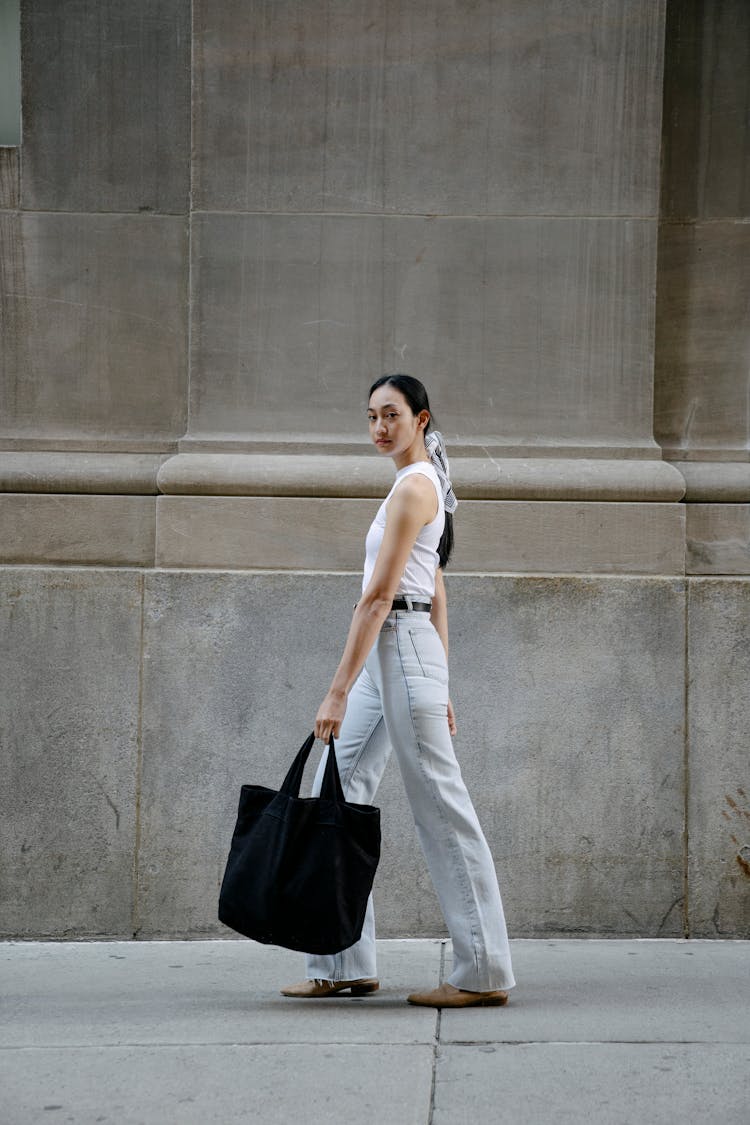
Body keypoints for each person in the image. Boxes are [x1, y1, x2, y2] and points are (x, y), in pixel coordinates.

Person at [281, 375, 515, 1008]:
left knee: (441, 806)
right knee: (334, 783)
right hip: (407, 654)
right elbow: (436, 586)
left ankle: (483, 971)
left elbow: (381, 597)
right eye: (371, 416)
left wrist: (336, 691)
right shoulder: (411, 484)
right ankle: (341, 962)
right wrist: (441, 680)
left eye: (392, 414)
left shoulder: (415, 487)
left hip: (399, 645)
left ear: (422, 419)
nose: (380, 426)